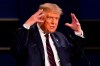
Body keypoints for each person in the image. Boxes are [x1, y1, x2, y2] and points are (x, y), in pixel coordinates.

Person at [10, 3, 90, 66]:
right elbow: (17, 52)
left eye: (56, 18)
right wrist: (27, 24)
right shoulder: (27, 35)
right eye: (50, 17)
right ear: (40, 18)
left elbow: (76, 56)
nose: (54, 22)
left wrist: (78, 32)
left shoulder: (60, 37)